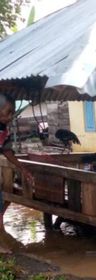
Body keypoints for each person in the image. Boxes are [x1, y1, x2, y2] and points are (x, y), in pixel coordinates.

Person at [0, 94, 34, 252]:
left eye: (12, 112)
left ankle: (2, 239)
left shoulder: (4, 129)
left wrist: (22, 168)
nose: (10, 116)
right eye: (8, 112)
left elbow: (7, 151)